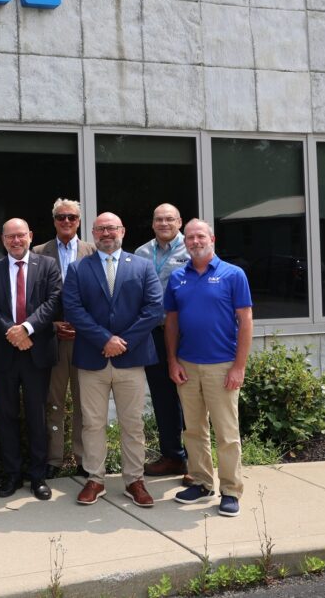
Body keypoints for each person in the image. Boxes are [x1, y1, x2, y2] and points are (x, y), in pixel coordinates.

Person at [63, 212, 163, 508]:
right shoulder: (78, 268)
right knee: (92, 423)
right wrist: (104, 339)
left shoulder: (142, 266)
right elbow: (73, 309)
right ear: (93, 233)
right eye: (100, 229)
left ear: (123, 231)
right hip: (92, 358)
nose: (106, 233)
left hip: (131, 359)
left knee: (132, 423)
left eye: (112, 228)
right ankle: (95, 479)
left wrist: (122, 342)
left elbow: (154, 308)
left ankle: (134, 480)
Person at [165, 219, 253, 518]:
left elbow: (246, 321)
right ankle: (202, 482)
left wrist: (239, 366)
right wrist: (172, 360)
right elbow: (172, 323)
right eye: (190, 238)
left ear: (212, 239)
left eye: (200, 236)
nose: (195, 242)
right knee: (193, 430)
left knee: (227, 433)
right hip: (187, 365)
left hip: (222, 365)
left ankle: (230, 491)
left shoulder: (233, 274)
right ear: (185, 242)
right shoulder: (177, 277)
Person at [0, 218, 61, 500]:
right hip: (6, 353)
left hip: (36, 351)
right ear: (3, 240)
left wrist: (27, 328)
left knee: (37, 416)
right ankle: (12, 475)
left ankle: (38, 476)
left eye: (20, 235)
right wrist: (12, 331)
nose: (16, 241)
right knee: (7, 416)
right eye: (10, 237)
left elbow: (54, 301)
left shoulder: (48, 265)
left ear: (30, 236)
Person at [33, 198, 95, 476]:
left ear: (79, 221)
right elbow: (34, 297)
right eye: (61, 217)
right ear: (54, 220)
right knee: (53, 400)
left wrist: (85, 325)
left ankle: (82, 459)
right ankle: (54, 459)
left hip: (85, 340)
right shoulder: (38, 252)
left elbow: (100, 296)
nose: (66, 221)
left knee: (85, 402)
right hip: (53, 337)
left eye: (71, 217)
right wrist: (52, 324)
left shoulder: (93, 251)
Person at [133, 203, 192, 481]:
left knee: (190, 397)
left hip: (186, 334)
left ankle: (196, 462)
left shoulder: (191, 249)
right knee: (162, 397)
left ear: (179, 222)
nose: (164, 223)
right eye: (159, 219)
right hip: (153, 334)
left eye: (169, 219)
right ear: (153, 223)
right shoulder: (141, 253)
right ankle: (172, 457)